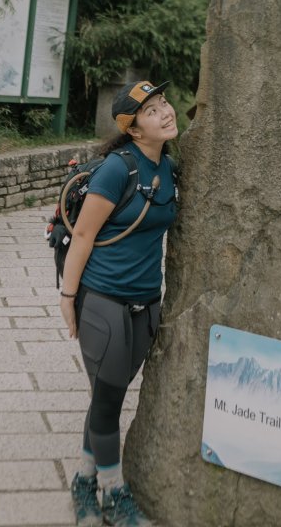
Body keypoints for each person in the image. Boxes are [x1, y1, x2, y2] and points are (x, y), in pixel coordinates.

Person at [60, 79, 179, 526]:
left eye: (164, 103)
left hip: (146, 301)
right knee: (108, 401)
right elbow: (84, 235)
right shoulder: (117, 169)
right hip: (103, 299)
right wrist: (68, 297)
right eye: (151, 111)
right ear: (133, 129)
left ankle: (85, 480)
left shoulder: (168, 167)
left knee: (108, 398)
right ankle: (115, 494)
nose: (165, 112)